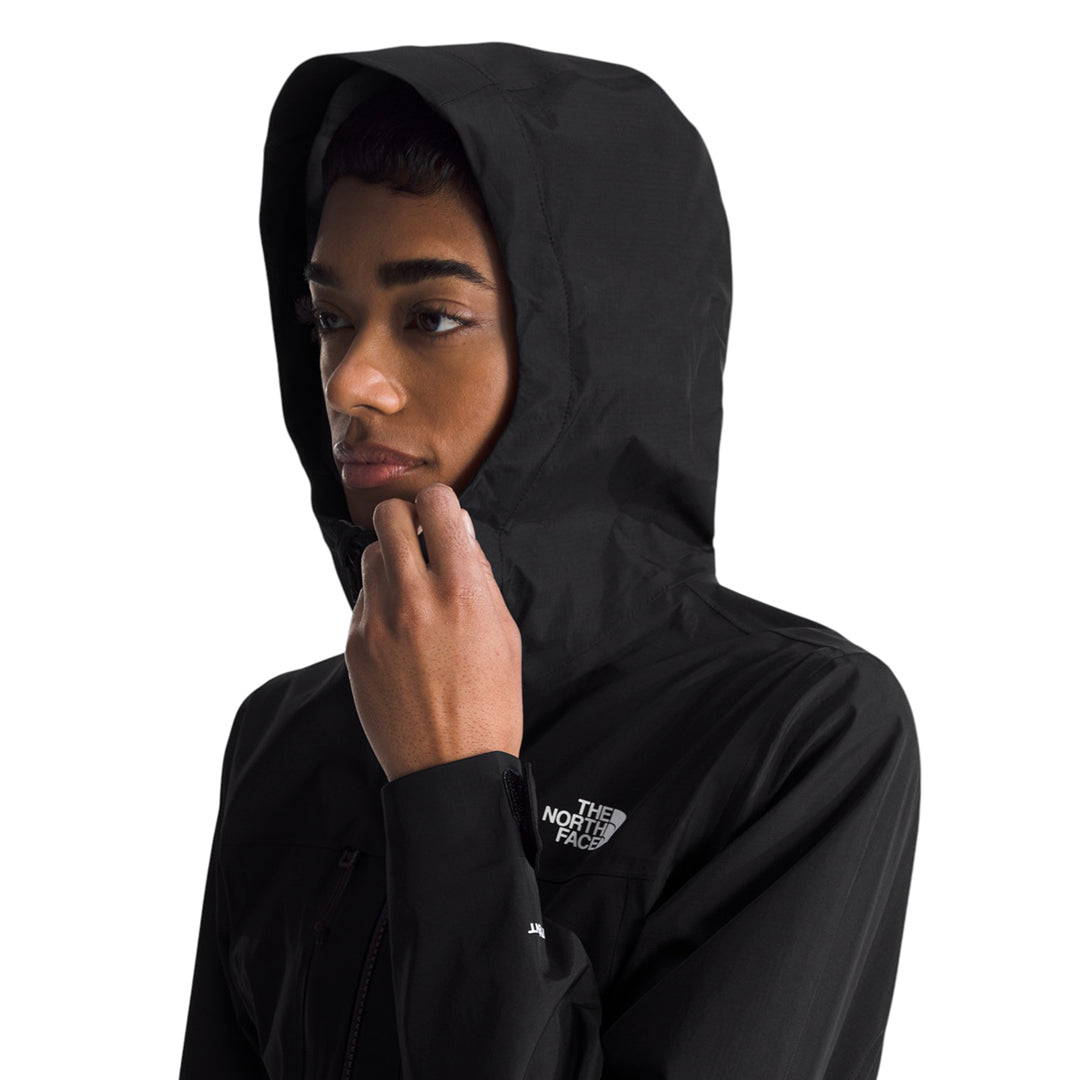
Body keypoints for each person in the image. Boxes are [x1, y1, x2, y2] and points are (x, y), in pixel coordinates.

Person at [178, 42, 921, 1080]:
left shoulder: (799, 732)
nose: (348, 382)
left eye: (431, 317)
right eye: (329, 319)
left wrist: (451, 789)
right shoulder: (284, 735)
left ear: (592, 348)